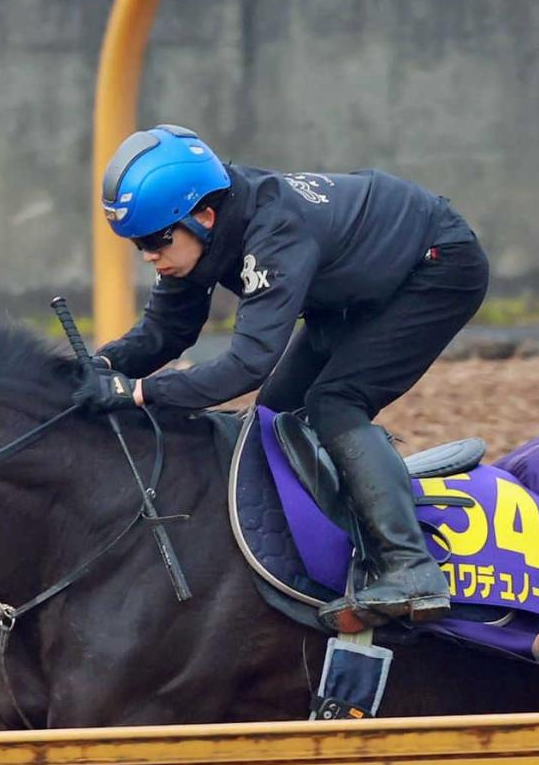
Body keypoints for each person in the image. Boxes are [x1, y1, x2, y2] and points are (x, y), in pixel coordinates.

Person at [86, 125, 489, 626]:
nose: (149, 256)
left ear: (204, 216)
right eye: (137, 245)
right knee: (275, 418)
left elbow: (247, 363)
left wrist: (143, 392)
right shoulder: (200, 235)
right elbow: (166, 331)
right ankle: (326, 554)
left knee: (335, 402)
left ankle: (409, 567)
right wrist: (97, 367)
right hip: (357, 284)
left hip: (436, 267)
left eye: (155, 241)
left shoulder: (274, 230)